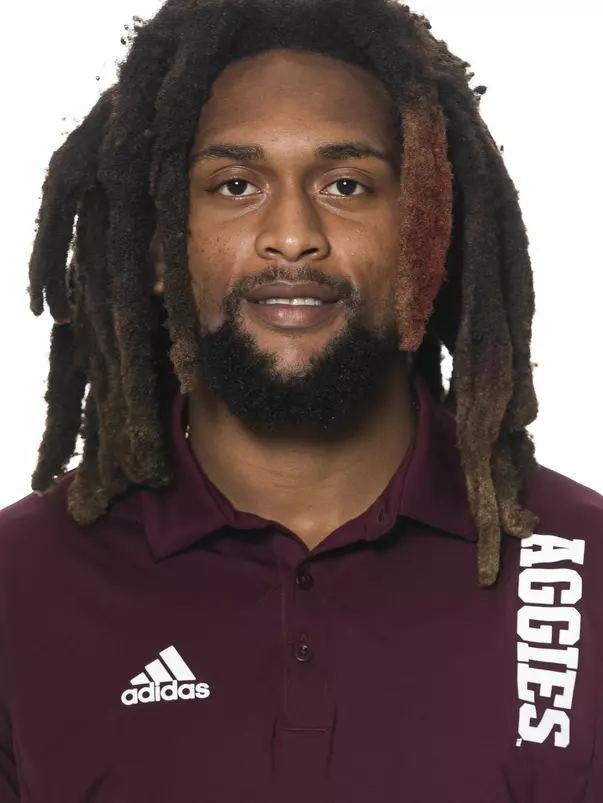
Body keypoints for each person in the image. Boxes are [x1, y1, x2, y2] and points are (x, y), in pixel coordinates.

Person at [0, 0, 601, 800]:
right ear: (157, 245)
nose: (291, 234)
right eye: (235, 183)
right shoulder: (21, 583)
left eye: (347, 184)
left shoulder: (583, 566)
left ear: (429, 234)